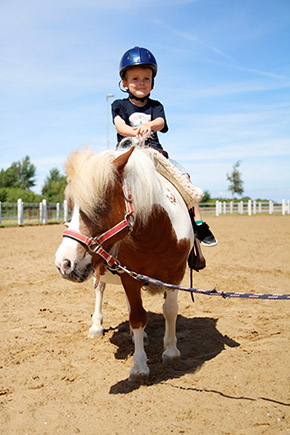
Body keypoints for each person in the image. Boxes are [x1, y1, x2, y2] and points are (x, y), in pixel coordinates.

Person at [111, 46, 217, 247]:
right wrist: (134, 132)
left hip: (155, 153)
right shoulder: (119, 104)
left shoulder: (156, 106)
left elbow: (160, 122)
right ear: (124, 83)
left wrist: (148, 126)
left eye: (146, 78)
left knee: (184, 178)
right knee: (103, 180)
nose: (141, 83)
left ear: (152, 82)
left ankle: (198, 224)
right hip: (128, 152)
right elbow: (119, 125)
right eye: (135, 78)